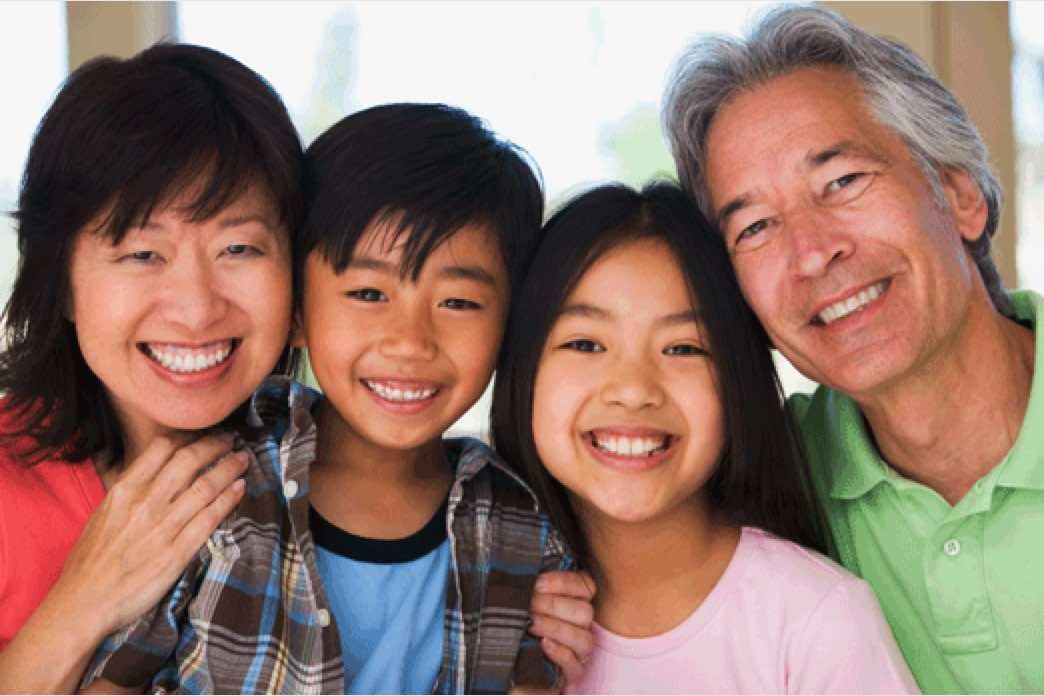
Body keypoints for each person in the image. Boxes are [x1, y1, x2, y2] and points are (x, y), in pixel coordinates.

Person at [84, 103, 595, 694]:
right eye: (368, 292)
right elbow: (115, 680)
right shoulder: (216, 487)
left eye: (457, 302)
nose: (410, 341)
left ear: (508, 327)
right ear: (297, 312)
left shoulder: (521, 528)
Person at [663, 5, 1044, 692]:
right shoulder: (766, 477)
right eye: (754, 227)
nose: (811, 253)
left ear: (959, 193)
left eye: (842, 182)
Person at [491, 181, 917, 693]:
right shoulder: (477, 610)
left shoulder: (814, 616)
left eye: (684, 348)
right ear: (522, 369)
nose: (633, 389)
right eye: (585, 343)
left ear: (739, 381)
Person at [0, 42, 306, 693]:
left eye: (238, 247)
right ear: (60, 283)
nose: (196, 309)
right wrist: (83, 600)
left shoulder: (332, 473)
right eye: (142, 253)